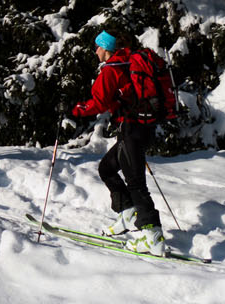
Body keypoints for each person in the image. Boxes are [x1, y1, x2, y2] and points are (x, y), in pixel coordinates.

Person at [70, 30, 169, 255]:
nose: (96, 51)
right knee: (107, 168)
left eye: (98, 46)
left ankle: (152, 235)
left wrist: (75, 110)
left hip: (132, 130)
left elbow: (99, 102)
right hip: (143, 128)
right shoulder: (128, 61)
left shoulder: (112, 70)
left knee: (136, 183)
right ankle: (127, 211)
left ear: (106, 48)